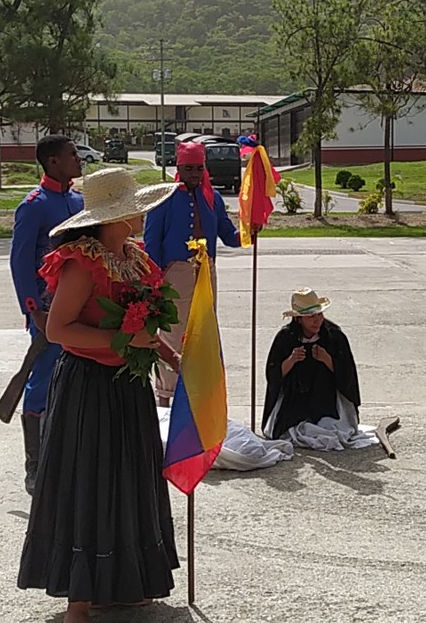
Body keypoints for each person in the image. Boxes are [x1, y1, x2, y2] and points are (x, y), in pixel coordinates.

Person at [17, 167, 181, 623]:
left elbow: (144, 330)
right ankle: (79, 602)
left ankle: (125, 584)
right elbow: (58, 330)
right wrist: (121, 340)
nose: (143, 216)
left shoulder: (132, 258)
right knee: (88, 484)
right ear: (114, 217)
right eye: (135, 209)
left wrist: (175, 360)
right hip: (87, 389)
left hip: (127, 388)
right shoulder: (81, 263)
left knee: (128, 481)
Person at [7, 135, 84, 493]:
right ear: (53, 162)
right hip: (48, 310)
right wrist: (33, 310)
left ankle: (65, 457)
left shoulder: (78, 201)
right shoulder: (33, 206)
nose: (78, 159)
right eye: (72, 154)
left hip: (80, 306)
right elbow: (20, 262)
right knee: (40, 383)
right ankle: (35, 466)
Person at [144, 140, 242, 406]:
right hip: (175, 273)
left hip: (206, 271)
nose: (195, 174)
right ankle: (165, 397)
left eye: (199, 168)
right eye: (189, 168)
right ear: (178, 167)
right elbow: (151, 243)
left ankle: (200, 397)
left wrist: (248, 231)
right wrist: (153, 282)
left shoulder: (213, 198)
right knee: (172, 334)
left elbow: (229, 235)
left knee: (204, 333)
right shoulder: (164, 198)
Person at [261, 288, 364, 443]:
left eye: (319, 315)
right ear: (299, 319)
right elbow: (273, 374)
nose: (317, 320)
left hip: (326, 397)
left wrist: (327, 359)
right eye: (311, 317)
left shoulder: (333, 336)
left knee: (330, 427)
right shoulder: (286, 337)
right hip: (295, 397)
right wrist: (291, 360)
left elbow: (347, 373)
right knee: (289, 429)